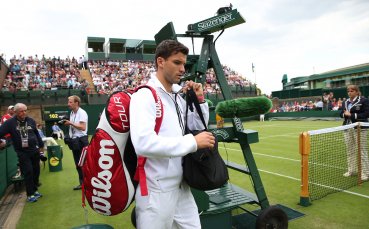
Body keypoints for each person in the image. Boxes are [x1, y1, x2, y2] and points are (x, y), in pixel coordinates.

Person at [130, 40, 215, 229]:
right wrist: (192, 142)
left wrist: (200, 101)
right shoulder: (144, 96)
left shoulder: (177, 95)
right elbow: (144, 144)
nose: (183, 69)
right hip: (156, 190)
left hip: (181, 185)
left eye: (184, 64)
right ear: (161, 61)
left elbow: (196, 126)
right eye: (177, 63)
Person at [0, 103, 44, 202]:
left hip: (34, 150)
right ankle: (30, 194)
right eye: (21, 111)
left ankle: (35, 190)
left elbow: (36, 134)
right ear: (15, 112)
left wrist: (41, 146)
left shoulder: (31, 120)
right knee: (28, 171)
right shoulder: (10, 123)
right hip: (22, 152)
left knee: (36, 171)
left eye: (25, 110)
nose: (24, 113)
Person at [340, 85, 369, 181]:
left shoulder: (363, 100)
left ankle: (365, 173)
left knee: (362, 150)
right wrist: (344, 114)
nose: (349, 92)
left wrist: (352, 115)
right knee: (350, 150)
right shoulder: (345, 102)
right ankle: (351, 170)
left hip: (360, 128)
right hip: (347, 128)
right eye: (348, 91)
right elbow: (341, 113)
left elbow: (366, 114)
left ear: (357, 91)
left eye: (352, 91)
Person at [62, 95, 88, 190]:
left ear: (76, 103)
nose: (68, 104)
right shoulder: (72, 113)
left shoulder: (82, 112)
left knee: (84, 163)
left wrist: (70, 123)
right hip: (75, 141)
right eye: (68, 102)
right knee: (78, 164)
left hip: (81, 140)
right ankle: (82, 183)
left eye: (70, 102)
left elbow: (83, 127)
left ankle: (88, 184)